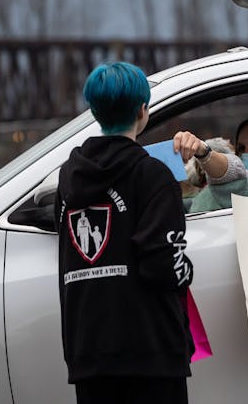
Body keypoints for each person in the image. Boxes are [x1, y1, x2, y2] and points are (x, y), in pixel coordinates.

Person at [54, 61, 194, 404]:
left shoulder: (69, 178)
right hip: (149, 349)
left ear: (95, 112)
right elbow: (163, 263)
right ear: (143, 111)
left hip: (88, 349)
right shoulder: (152, 175)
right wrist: (186, 269)